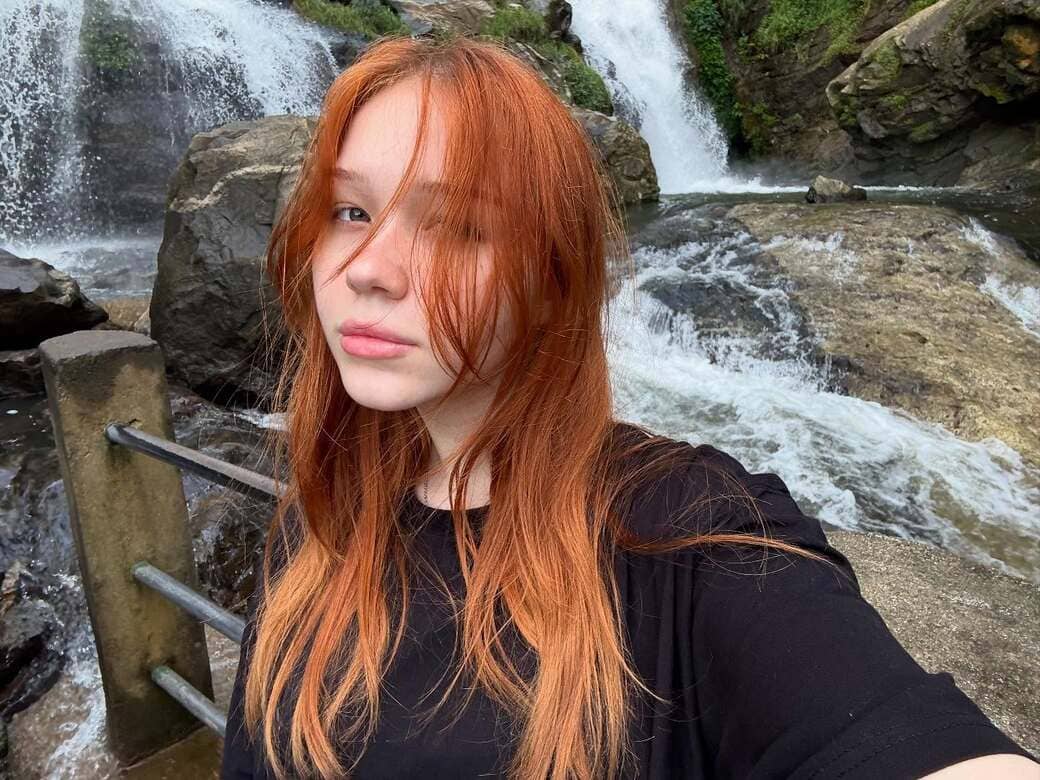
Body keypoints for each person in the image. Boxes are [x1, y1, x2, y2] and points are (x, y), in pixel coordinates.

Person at [220, 34, 1039, 779]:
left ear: (551, 280)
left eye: (456, 226)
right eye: (351, 211)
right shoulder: (314, 527)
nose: (369, 268)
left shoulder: (688, 537)